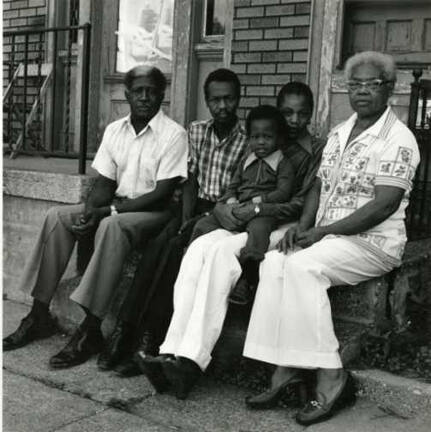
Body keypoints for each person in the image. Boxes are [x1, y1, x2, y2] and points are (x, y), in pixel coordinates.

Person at [242, 51, 419, 426]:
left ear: (389, 89)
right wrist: (303, 227)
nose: (363, 92)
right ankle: (285, 367)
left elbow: (384, 206)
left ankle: (332, 376)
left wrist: (321, 233)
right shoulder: (340, 132)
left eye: (373, 85)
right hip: (329, 237)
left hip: (373, 242)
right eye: (355, 84)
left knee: (303, 268)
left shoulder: (398, 139)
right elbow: (318, 188)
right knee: (275, 261)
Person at [135, 82, 325, 399]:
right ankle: (169, 351)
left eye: (301, 113)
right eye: (287, 112)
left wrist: (256, 208)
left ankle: (192, 360)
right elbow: (233, 187)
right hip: (247, 217)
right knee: (197, 249)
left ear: (311, 114)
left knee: (222, 253)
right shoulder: (260, 147)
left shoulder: (313, 152)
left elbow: (300, 203)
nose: (293, 120)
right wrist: (229, 207)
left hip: (279, 225)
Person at [3, 65, 188, 370]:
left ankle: (90, 328)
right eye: (138, 91)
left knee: (113, 226)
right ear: (126, 94)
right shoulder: (116, 130)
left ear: (162, 95)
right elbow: (103, 184)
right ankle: (38, 314)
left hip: (153, 213)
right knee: (57, 216)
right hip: (117, 205)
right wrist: (90, 213)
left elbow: (162, 193)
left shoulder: (174, 134)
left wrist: (108, 212)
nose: (144, 97)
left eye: (151, 91)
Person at [96, 69, 248, 375]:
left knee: (175, 255)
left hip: (223, 215)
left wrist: (198, 222)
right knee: (158, 246)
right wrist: (187, 217)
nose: (222, 106)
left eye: (229, 99)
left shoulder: (247, 138)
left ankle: (151, 341)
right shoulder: (195, 131)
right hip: (192, 208)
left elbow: (238, 188)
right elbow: (189, 180)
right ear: (206, 101)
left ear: (238, 99)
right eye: (215, 100)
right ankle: (125, 332)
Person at [191, 105, 295, 305]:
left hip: (261, 212)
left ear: (279, 138)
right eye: (255, 137)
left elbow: (283, 192)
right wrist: (230, 200)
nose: (261, 142)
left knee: (259, 231)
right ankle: (191, 257)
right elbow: (233, 185)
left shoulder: (283, 163)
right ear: (249, 138)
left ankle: (247, 276)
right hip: (239, 207)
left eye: (267, 137)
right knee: (204, 224)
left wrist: (259, 201)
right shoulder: (246, 161)